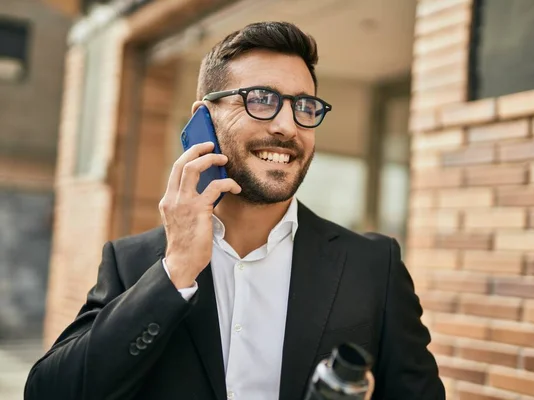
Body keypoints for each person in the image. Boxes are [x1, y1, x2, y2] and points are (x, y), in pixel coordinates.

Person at [24, 21, 444, 400]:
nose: (287, 125)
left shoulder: (372, 267)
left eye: (304, 106)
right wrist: (175, 272)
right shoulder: (134, 263)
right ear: (204, 118)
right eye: (262, 99)